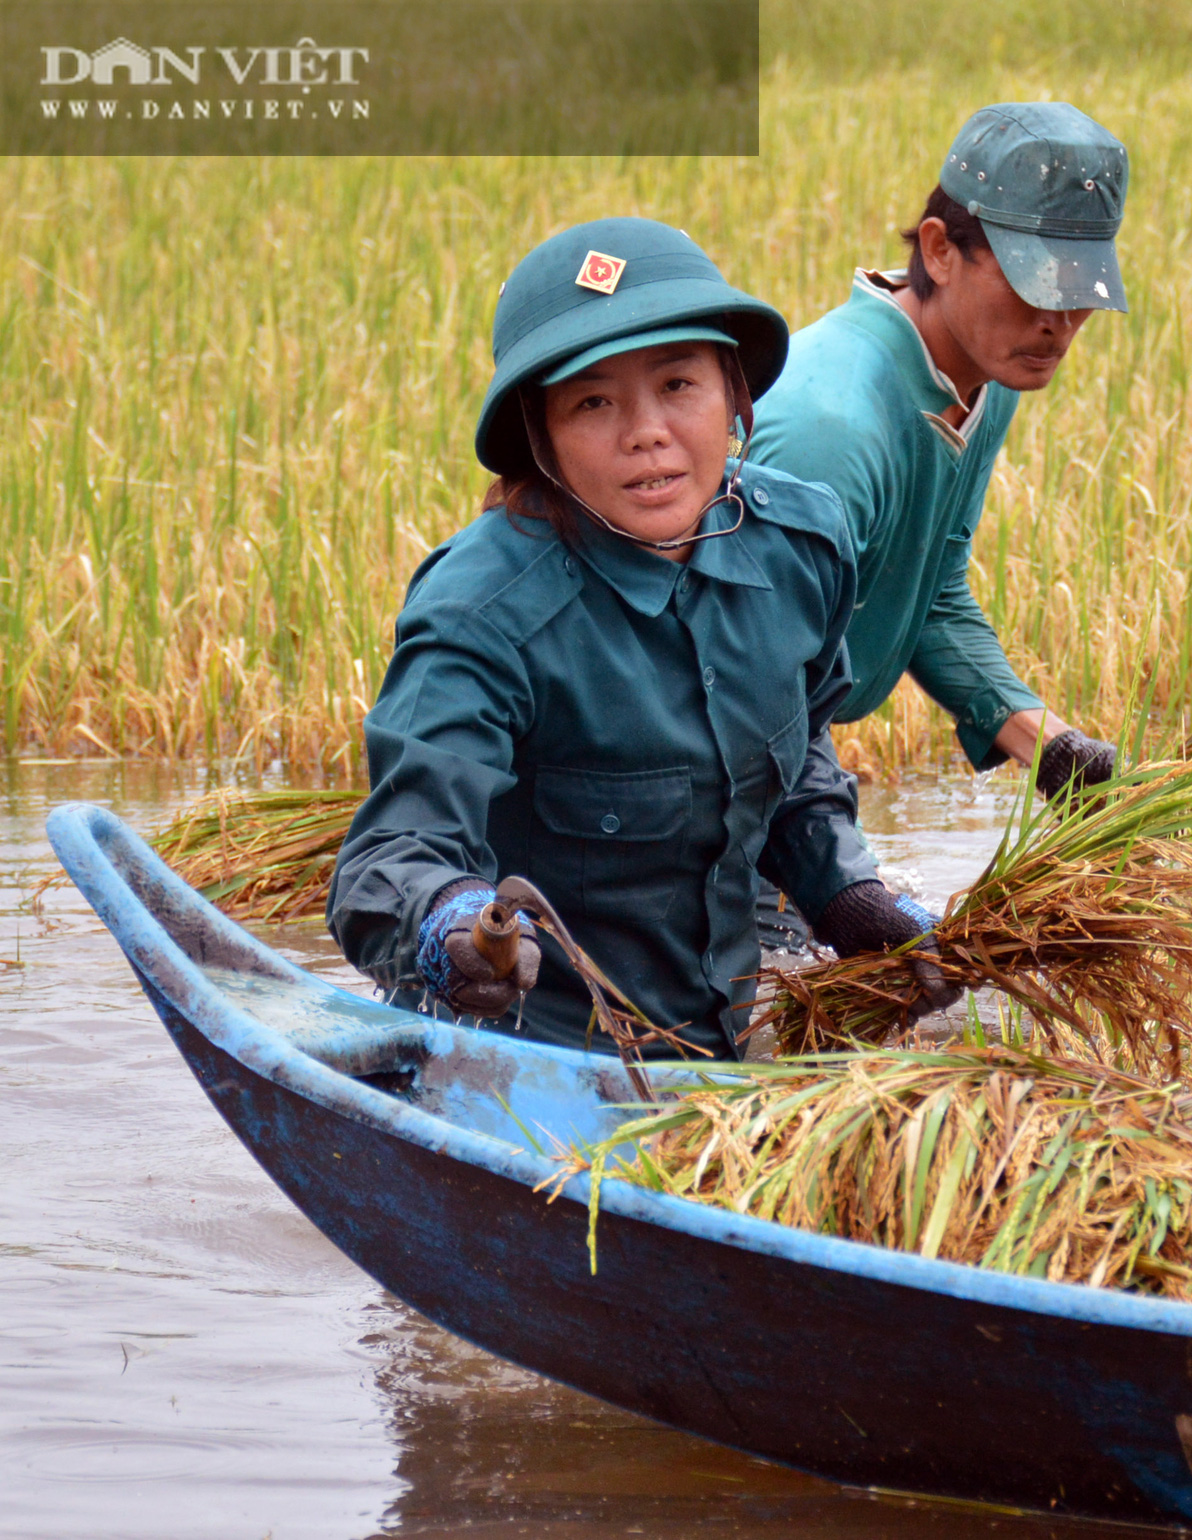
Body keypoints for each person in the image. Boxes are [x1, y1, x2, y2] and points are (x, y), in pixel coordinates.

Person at [327, 218, 954, 1060]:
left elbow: (798, 754)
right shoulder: (483, 611)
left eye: (678, 385)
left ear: (736, 394)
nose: (646, 432)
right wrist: (452, 928)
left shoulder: (804, 545)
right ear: (538, 437)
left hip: (727, 1042)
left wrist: (847, 891)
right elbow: (392, 856)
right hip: (533, 1059)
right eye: (593, 401)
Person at [746, 102, 1130, 949]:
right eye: (1036, 287)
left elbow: (927, 587)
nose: (1059, 326)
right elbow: (756, 691)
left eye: (1079, 297)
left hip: (768, 774)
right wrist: (845, 888)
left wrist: (1044, 739)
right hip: (698, 794)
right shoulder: (833, 429)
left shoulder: (980, 381)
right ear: (939, 249)